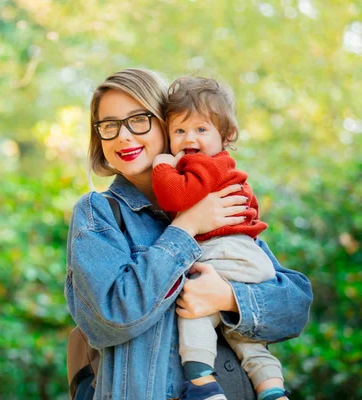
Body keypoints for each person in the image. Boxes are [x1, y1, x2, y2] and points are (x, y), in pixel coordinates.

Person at [64, 68, 312, 400]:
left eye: (138, 119)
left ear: (165, 123)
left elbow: (294, 306)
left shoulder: (218, 196)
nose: (123, 136)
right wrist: (187, 227)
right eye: (109, 125)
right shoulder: (99, 213)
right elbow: (110, 318)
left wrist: (227, 298)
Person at [151, 76, 287, 400]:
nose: (189, 139)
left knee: (195, 308)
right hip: (249, 258)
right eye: (179, 131)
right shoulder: (223, 168)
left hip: (225, 253)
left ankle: (202, 384)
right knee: (247, 341)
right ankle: (273, 390)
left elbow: (173, 195)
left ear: (225, 136)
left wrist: (161, 166)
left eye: (201, 129)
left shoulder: (205, 165)